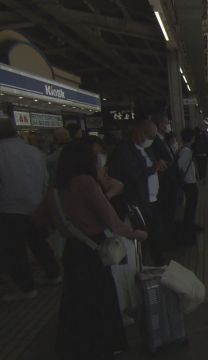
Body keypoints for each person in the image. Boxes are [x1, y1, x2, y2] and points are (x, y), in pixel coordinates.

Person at [44, 139, 147, 359]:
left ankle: (76, 344)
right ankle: (104, 344)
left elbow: (53, 223)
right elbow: (112, 220)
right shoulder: (86, 182)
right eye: (95, 154)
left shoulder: (55, 187)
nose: (99, 158)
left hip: (72, 248)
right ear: (84, 158)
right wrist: (135, 233)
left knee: (75, 298)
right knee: (100, 297)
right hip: (94, 248)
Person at [0, 118, 61, 301]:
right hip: (35, 205)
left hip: (8, 208)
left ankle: (26, 288)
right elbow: (45, 180)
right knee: (38, 243)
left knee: (14, 249)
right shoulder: (34, 152)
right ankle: (54, 274)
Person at [109, 118, 167, 265]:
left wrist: (157, 168)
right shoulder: (124, 150)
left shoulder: (145, 149)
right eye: (149, 136)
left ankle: (157, 262)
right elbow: (129, 176)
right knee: (143, 238)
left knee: (157, 235)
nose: (151, 140)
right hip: (139, 203)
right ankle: (141, 265)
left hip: (151, 201)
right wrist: (152, 169)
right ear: (138, 132)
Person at [151, 116, 179, 226]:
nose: (169, 125)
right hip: (164, 183)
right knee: (166, 211)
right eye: (167, 122)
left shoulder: (165, 139)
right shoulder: (154, 141)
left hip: (171, 182)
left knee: (171, 210)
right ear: (160, 124)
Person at [177, 128, 201, 238]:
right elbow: (179, 166)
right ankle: (188, 229)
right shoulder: (186, 152)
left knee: (191, 206)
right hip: (188, 183)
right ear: (192, 138)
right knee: (190, 207)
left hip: (190, 182)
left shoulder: (185, 150)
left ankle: (190, 226)